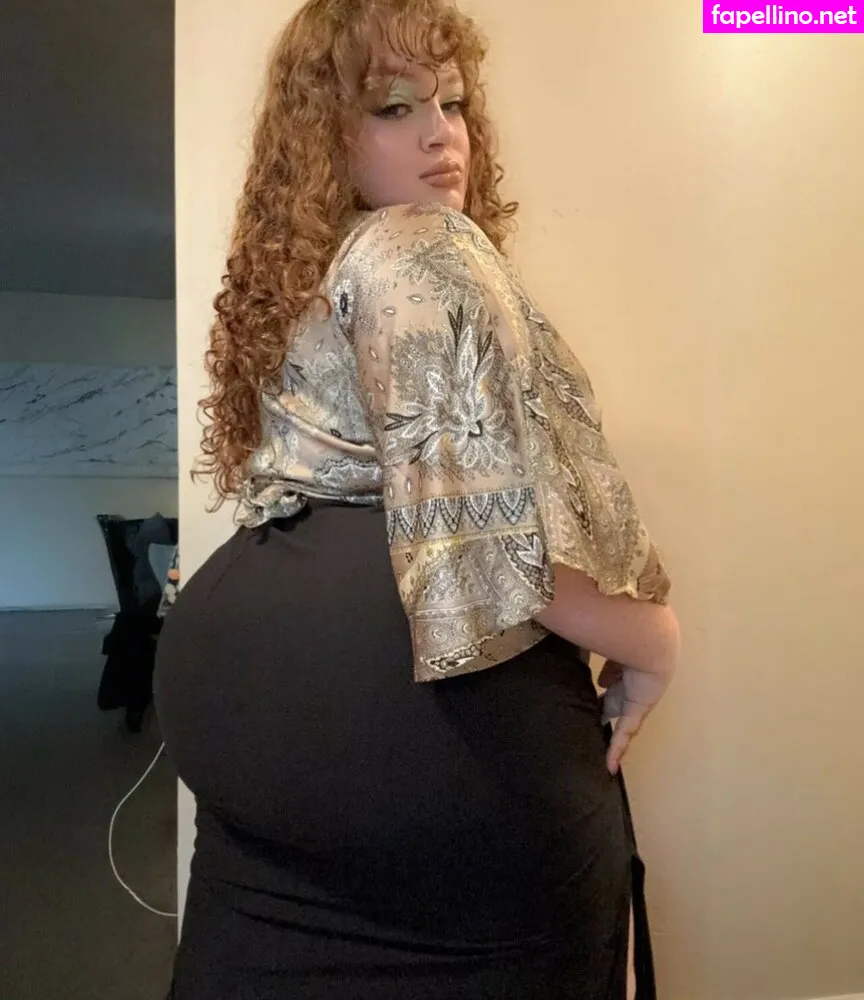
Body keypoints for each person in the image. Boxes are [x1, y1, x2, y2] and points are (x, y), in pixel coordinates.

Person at [154, 1, 681, 997]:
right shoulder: (420, 246)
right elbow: (488, 548)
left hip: (244, 709)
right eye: (395, 106)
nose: (443, 133)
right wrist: (654, 643)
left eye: (454, 102)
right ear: (326, 134)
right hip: (411, 723)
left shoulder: (310, 275)